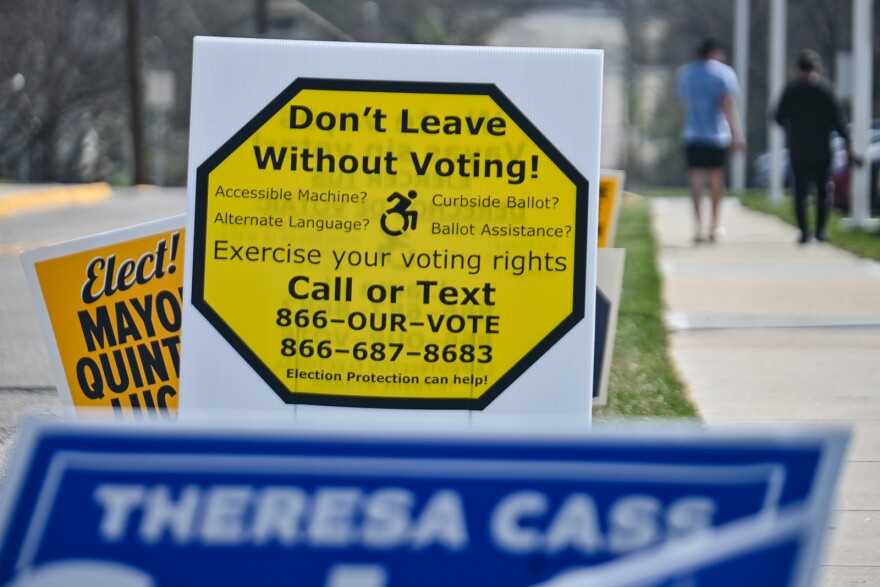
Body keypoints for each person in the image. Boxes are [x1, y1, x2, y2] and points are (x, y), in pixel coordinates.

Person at [774, 49, 852, 244]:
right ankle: (819, 231)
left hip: (799, 149)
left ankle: (804, 233)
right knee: (823, 191)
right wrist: (847, 141)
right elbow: (839, 121)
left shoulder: (792, 89)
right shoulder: (826, 89)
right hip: (822, 149)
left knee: (801, 193)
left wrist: (791, 127)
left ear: (797, 68)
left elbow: (777, 117)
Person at [677, 37, 746, 243]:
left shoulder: (686, 74)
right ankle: (714, 225)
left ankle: (698, 227)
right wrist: (737, 134)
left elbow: (684, 105)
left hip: (693, 133)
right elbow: (727, 104)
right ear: (714, 51)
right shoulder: (724, 73)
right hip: (717, 134)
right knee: (717, 180)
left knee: (696, 180)